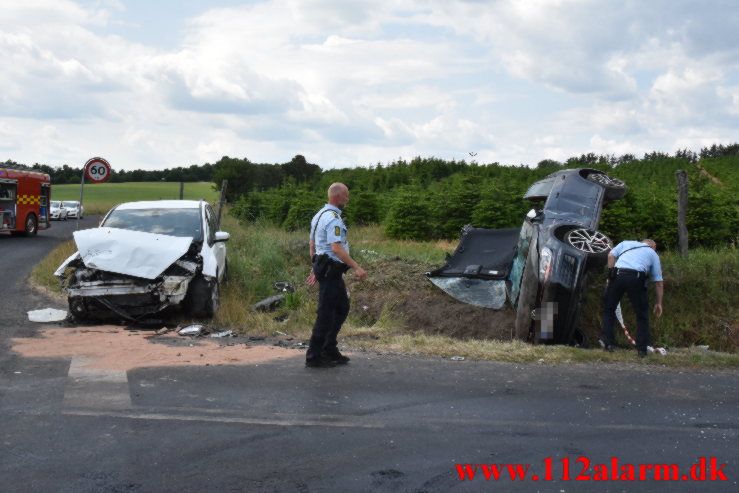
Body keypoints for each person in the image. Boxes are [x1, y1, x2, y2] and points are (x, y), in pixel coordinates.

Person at [305, 183, 368, 368]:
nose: (348, 199)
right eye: (346, 196)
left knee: (341, 307)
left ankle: (329, 349)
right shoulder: (332, 219)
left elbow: (312, 244)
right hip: (330, 271)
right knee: (326, 313)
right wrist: (357, 267)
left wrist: (315, 266)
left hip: (326, 269)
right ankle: (314, 356)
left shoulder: (319, 215)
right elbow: (336, 248)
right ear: (338, 197)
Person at [602, 239, 664, 357]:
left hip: (618, 276)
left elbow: (610, 256)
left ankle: (608, 345)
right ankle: (641, 351)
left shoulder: (626, 243)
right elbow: (658, 281)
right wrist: (659, 303)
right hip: (636, 279)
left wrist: (610, 276)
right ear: (654, 246)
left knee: (608, 310)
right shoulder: (652, 253)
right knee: (642, 315)